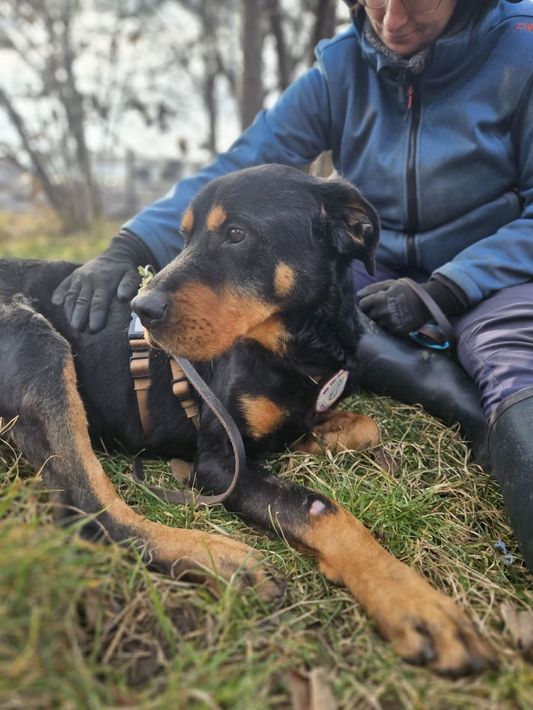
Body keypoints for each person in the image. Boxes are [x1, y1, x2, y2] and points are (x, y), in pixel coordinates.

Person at [52, 0, 533, 571]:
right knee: (329, 324)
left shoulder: (522, 48)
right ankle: (429, 384)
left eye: (416, 1)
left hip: (493, 268)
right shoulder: (341, 68)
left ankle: (490, 428)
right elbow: (238, 175)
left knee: (506, 354)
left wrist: (451, 286)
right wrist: (129, 245)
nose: (391, 22)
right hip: (373, 267)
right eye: (375, 0)